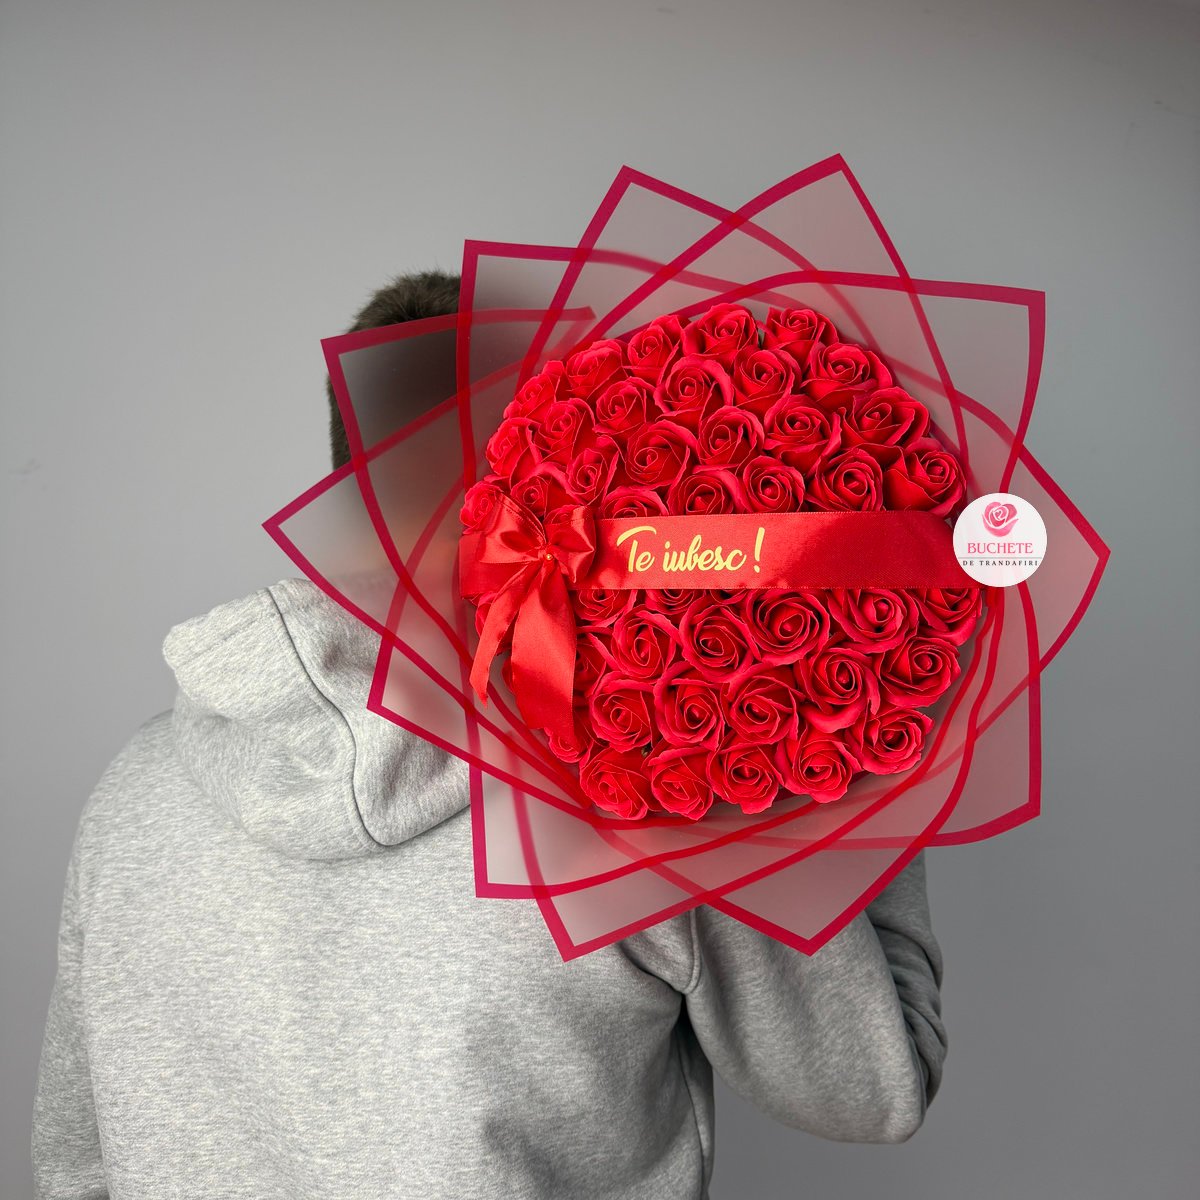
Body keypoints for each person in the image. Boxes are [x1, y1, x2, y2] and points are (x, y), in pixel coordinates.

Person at [32, 271, 948, 1200]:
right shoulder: (643, 800)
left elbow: (75, 1165)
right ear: (565, 457)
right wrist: (863, 737)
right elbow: (876, 1087)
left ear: (348, 481)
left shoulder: (132, 793)